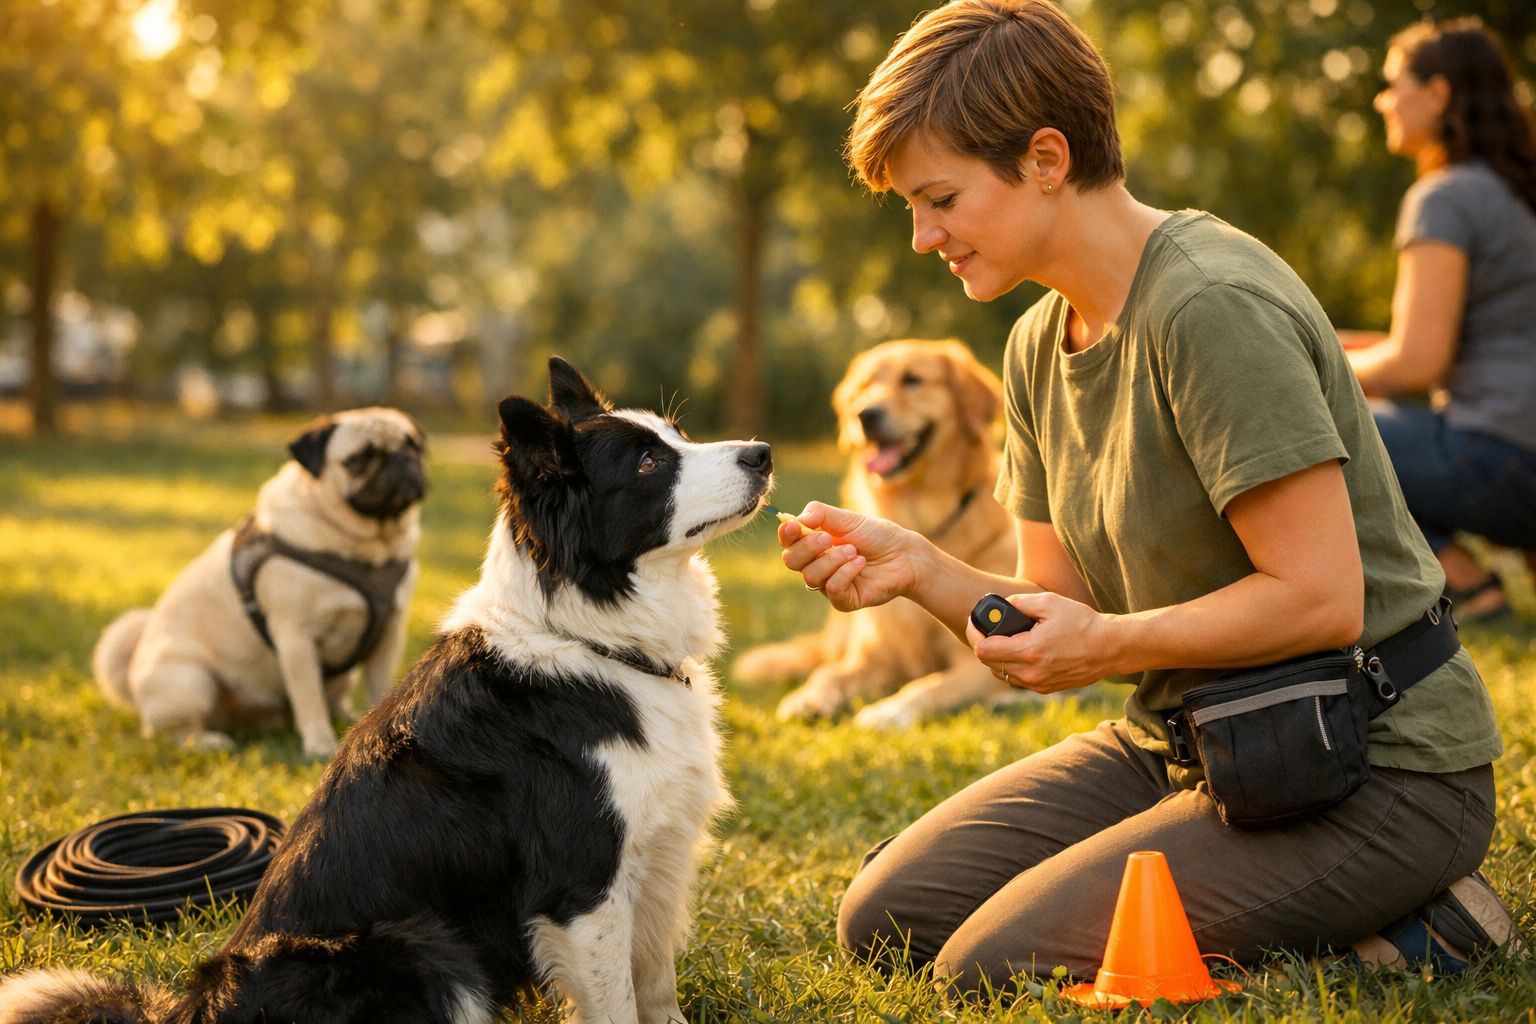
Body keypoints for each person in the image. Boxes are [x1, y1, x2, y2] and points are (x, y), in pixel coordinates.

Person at [773, 0, 1517, 996]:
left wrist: (1108, 645)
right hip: (1195, 744)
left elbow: (1319, 599)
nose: (921, 236)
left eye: (940, 198)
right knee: (886, 918)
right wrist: (922, 569)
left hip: (1374, 759)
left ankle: (1426, 930)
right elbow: (1056, 610)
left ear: (1045, 158)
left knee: (990, 967)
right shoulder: (1041, 343)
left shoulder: (1209, 308)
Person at [1339, 17, 1536, 623]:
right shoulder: (1516, 193)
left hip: (1500, 459)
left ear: (1439, 93)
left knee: (1312, 432)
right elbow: (1466, 342)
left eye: (1395, 82)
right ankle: (1474, 577)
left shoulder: (1445, 197)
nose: (1383, 100)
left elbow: (1420, 361)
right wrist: (1337, 348)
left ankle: (1468, 582)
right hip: (1521, 453)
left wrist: (1321, 372)